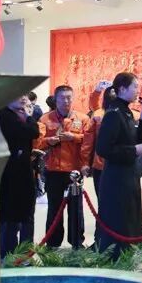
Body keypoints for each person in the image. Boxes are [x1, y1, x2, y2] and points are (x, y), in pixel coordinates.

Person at [94, 72, 142, 258]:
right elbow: (103, 149)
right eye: (135, 87)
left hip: (128, 175)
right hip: (116, 178)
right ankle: (115, 259)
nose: (138, 91)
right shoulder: (113, 114)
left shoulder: (126, 111)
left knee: (130, 217)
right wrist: (133, 150)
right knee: (118, 220)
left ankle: (127, 256)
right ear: (122, 89)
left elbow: (136, 141)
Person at [35, 85, 92, 247]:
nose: (66, 101)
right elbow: (38, 142)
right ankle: (53, 242)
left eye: (69, 98)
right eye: (62, 98)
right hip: (53, 170)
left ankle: (76, 242)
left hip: (74, 170)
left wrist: (73, 137)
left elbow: (88, 142)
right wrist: (49, 141)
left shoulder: (82, 119)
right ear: (56, 99)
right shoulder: (45, 119)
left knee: (75, 208)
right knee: (54, 208)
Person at [0, 94, 40, 259]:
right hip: (9, 173)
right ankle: (9, 254)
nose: (23, 98)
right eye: (18, 95)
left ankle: (25, 253)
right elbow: (31, 132)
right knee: (10, 215)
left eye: (25, 95)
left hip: (23, 170)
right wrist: (29, 118)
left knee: (26, 212)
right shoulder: (4, 115)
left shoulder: (19, 114)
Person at [84, 83, 116, 200]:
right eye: (111, 91)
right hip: (100, 164)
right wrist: (85, 162)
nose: (114, 94)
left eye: (116, 91)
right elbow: (88, 141)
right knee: (102, 199)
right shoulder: (98, 114)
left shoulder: (130, 114)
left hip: (121, 166)